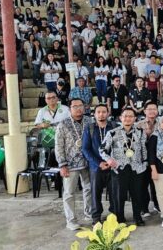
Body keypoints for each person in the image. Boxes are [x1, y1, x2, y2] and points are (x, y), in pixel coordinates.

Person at [100, 107, 148, 226]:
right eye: (125, 116)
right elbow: (102, 149)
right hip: (119, 168)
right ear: (120, 118)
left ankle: (137, 217)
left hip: (136, 168)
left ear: (134, 118)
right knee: (119, 195)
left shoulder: (140, 132)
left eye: (131, 116)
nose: (128, 118)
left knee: (137, 194)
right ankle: (120, 219)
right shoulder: (113, 132)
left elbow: (143, 149)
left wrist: (145, 163)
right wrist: (109, 160)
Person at [55, 98, 92, 230]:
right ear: (69, 109)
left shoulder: (89, 121)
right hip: (70, 164)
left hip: (88, 162)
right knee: (69, 193)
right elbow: (59, 146)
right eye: (75, 106)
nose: (78, 109)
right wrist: (62, 164)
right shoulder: (63, 124)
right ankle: (71, 220)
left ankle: (89, 214)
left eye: (80, 106)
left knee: (89, 189)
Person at [81, 105, 118, 225]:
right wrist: (99, 163)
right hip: (96, 167)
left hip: (113, 165)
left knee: (114, 192)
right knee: (95, 193)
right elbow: (85, 149)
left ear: (108, 113)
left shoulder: (114, 127)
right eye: (98, 112)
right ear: (94, 114)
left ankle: (115, 216)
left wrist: (112, 161)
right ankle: (96, 218)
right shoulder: (89, 128)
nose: (101, 114)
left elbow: (119, 146)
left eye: (104, 112)